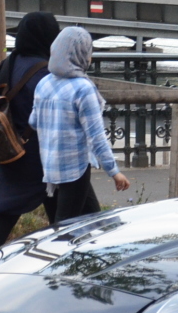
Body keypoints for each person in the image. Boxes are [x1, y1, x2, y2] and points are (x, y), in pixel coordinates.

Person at [0, 12, 61, 270]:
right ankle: (70, 265)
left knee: (6, 211)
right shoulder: (44, 72)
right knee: (68, 210)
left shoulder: (10, 63)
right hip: (35, 154)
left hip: (8, 147)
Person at [30, 26, 130, 226]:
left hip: (49, 168)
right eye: (88, 51)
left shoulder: (44, 83)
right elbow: (96, 137)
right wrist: (114, 171)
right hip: (75, 170)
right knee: (65, 230)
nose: (90, 57)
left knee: (94, 223)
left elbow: (33, 121)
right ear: (80, 54)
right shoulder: (83, 89)